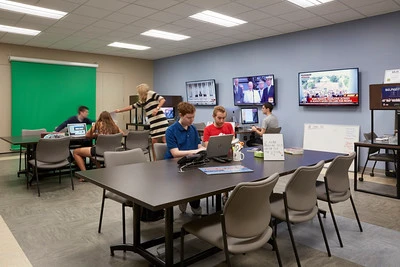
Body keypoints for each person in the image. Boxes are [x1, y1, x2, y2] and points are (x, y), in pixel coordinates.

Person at [165, 102, 206, 215]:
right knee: (190, 181)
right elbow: (175, 153)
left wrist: (203, 149)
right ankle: (186, 199)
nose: (191, 120)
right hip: (174, 165)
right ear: (181, 115)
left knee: (198, 179)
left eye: (193, 117)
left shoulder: (192, 129)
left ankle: (191, 201)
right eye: (189, 117)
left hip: (191, 163)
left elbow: (198, 145)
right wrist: (195, 151)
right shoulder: (171, 130)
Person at [114, 83, 169, 157]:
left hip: (160, 120)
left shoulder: (151, 93)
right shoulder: (142, 101)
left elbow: (162, 100)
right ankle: (156, 158)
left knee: (164, 140)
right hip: (153, 122)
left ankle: (167, 156)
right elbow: (132, 107)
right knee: (154, 141)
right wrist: (119, 110)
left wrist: (157, 109)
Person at [73, 111, 124, 181]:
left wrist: (96, 135)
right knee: (92, 152)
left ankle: (84, 176)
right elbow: (122, 134)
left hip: (99, 152)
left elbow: (87, 135)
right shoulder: (114, 125)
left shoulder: (97, 124)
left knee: (76, 152)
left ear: (100, 118)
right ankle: (99, 170)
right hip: (112, 151)